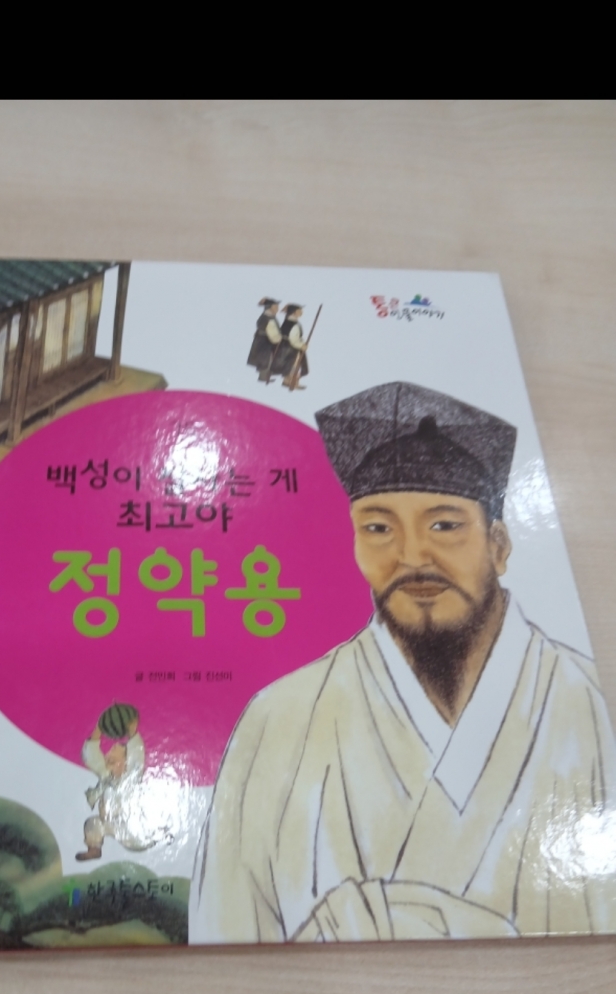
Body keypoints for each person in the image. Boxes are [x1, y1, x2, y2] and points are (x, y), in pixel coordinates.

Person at [189, 380, 616, 942]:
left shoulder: (591, 704)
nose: (412, 556)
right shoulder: (280, 720)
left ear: (499, 546)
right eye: (378, 528)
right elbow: (226, 935)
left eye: (444, 525)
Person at [76, 712, 153, 860]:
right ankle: (94, 849)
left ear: (126, 763)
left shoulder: (132, 776)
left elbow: (137, 755)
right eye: (108, 758)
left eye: (113, 759)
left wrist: (132, 732)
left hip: (135, 831)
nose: (108, 757)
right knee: (92, 823)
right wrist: (98, 730)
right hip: (114, 826)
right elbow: (92, 757)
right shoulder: (106, 776)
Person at [247, 298, 282, 382]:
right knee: (265, 360)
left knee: (268, 359)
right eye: (275, 307)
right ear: (270, 307)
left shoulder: (271, 317)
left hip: (267, 341)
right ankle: (263, 376)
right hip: (265, 342)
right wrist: (278, 339)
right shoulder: (266, 318)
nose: (277, 309)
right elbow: (271, 331)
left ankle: (266, 375)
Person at [277, 304, 309, 384]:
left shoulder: (289, 322)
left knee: (293, 365)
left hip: (286, 347)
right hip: (291, 348)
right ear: (293, 312)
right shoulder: (293, 325)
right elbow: (293, 340)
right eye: (299, 311)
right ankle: (289, 381)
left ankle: (291, 381)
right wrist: (301, 345)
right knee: (293, 365)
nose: (301, 312)